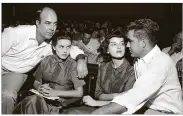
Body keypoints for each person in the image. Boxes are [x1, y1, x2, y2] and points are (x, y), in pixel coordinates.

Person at [2, 6, 87, 114]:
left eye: (55, 24)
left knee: (7, 95)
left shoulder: (51, 44)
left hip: (14, 73)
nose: (52, 28)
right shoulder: (16, 33)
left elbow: (72, 49)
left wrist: (81, 60)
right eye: (48, 23)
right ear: (38, 23)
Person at [91, 18, 183, 114]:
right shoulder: (138, 57)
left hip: (165, 113)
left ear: (143, 43)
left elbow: (133, 97)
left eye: (130, 41)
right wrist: (80, 59)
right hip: (145, 110)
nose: (127, 46)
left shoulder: (160, 63)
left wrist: (98, 113)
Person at [62, 31, 135, 114]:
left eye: (122, 44)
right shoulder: (103, 66)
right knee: (70, 112)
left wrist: (96, 103)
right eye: (114, 44)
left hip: (121, 112)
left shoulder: (132, 70)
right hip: (101, 107)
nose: (119, 47)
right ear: (107, 50)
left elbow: (126, 103)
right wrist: (117, 96)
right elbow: (98, 94)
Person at [13, 31, 86, 114]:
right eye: (61, 47)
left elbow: (79, 93)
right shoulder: (46, 60)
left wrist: (55, 92)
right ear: (54, 47)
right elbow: (36, 82)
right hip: (43, 99)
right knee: (32, 101)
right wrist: (39, 87)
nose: (65, 51)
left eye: (68, 47)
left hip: (61, 104)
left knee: (32, 102)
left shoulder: (73, 65)